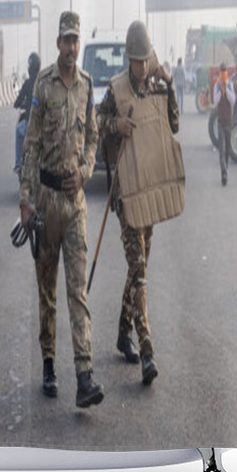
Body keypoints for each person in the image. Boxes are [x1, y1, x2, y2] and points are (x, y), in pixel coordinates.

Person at [19, 11, 104, 408]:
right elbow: (31, 145)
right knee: (47, 291)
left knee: (78, 290)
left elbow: (92, 141)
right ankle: (49, 363)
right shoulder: (44, 85)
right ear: (57, 44)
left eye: (76, 41)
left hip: (75, 204)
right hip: (46, 202)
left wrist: (85, 172)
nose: (71, 48)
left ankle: (85, 375)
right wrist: (25, 199)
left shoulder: (87, 86)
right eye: (66, 41)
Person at [98, 21, 180, 386]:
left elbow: (173, 125)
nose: (142, 67)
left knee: (138, 267)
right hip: (127, 194)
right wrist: (117, 125)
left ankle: (121, 334)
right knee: (140, 271)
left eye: (146, 61)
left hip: (152, 190)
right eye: (137, 61)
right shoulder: (116, 90)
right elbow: (96, 122)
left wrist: (171, 85)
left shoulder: (157, 87)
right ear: (128, 60)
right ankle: (147, 350)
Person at [13, 51, 41, 175]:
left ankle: (18, 163)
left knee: (19, 131)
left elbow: (17, 101)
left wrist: (19, 104)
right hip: (42, 125)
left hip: (30, 125)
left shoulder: (27, 84)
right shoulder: (43, 83)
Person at [213, 62, 235, 186]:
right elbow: (215, 101)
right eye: (222, 71)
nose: (223, 73)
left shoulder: (230, 85)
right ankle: (224, 172)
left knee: (228, 149)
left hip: (229, 122)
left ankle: (225, 167)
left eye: (224, 71)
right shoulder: (216, 86)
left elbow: (233, 100)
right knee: (221, 150)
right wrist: (220, 89)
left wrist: (226, 88)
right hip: (220, 122)